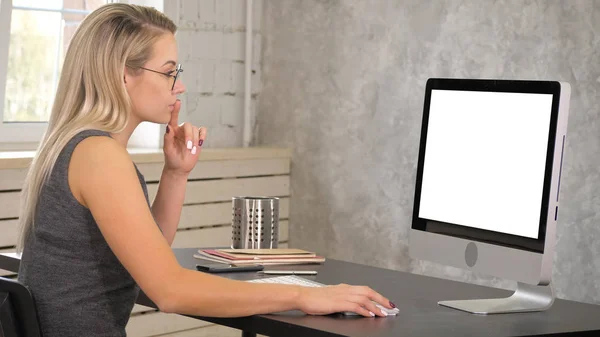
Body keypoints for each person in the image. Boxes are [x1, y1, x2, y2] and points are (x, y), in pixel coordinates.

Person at [16, 4, 396, 337]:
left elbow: (150, 259)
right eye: (169, 72)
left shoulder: (81, 148)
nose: (180, 86)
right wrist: (304, 295)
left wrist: (175, 173)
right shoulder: (100, 156)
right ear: (123, 75)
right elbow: (169, 291)